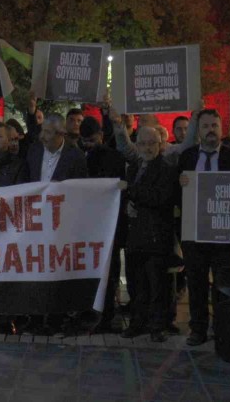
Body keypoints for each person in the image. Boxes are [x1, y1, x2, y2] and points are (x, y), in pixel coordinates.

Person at [177, 109, 230, 346]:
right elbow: (175, 193)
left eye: (214, 126)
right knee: (196, 283)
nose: (210, 131)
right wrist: (180, 183)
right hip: (194, 232)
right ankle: (198, 329)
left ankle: (223, 328)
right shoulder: (186, 157)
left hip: (225, 234)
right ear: (198, 130)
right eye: (205, 126)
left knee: (223, 283)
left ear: (221, 128)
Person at [120, 126, 177, 343]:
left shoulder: (166, 169)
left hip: (156, 237)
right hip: (135, 236)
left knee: (157, 286)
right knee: (136, 285)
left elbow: (160, 198)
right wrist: (127, 206)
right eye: (143, 143)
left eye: (152, 143)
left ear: (160, 144)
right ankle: (137, 323)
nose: (147, 148)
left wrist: (131, 191)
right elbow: (128, 197)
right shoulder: (133, 168)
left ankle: (157, 326)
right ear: (137, 145)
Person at [79, 117, 127, 333]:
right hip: (88, 224)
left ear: (100, 136)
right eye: (85, 141)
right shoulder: (81, 156)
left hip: (108, 225)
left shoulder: (113, 157)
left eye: (91, 140)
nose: (88, 144)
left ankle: (106, 315)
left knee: (109, 272)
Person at [25, 113, 88, 182]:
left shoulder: (76, 156)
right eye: (42, 130)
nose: (42, 136)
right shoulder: (34, 150)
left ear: (61, 133)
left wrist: (60, 186)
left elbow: (79, 184)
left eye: (47, 132)